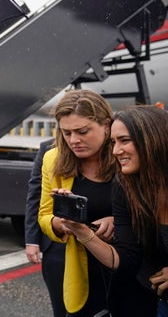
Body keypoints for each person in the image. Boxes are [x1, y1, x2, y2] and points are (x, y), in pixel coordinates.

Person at [59, 105, 166, 315]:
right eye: (113, 142)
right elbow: (124, 259)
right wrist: (81, 231)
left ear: (155, 138)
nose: (116, 151)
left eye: (125, 140)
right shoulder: (125, 187)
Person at [37, 89, 134, 316]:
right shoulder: (53, 159)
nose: (74, 140)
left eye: (82, 131)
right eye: (66, 133)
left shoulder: (126, 155)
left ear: (107, 125)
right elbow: (43, 215)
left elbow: (151, 206)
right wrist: (63, 223)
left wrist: (117, 221)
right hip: (76, 267)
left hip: (127, 263)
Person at [24, 138, 66, 317]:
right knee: (60, 307)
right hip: (55, 246)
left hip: (92, 244)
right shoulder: (48, 149)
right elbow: (35, 195)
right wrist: (32, 240)